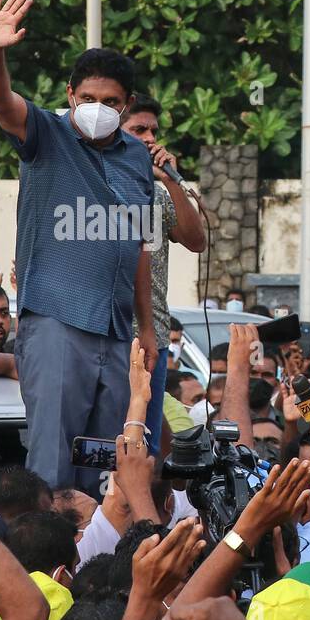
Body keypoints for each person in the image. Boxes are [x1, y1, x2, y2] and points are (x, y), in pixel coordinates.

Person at [0, 0, 158, 488]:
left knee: (107, 473)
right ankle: (44, 566)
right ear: (70, 95)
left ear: (128, 106)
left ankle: (98, 562)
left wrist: (147, 329)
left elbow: (139, 245)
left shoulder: (136, 157)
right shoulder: (46, 134)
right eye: (89, 99)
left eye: (112, 102)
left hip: (119, 333)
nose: (99, 108)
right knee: (52, 470)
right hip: (58, 323)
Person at [120, 94, 207, 446]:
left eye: (153, 130)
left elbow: (196, 240)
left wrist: (171, 182)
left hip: (151, 339)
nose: (150, 138)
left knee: (147, 446)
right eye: (139, 129)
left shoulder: (158, 195)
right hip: (110, 338)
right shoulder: (96, 189)